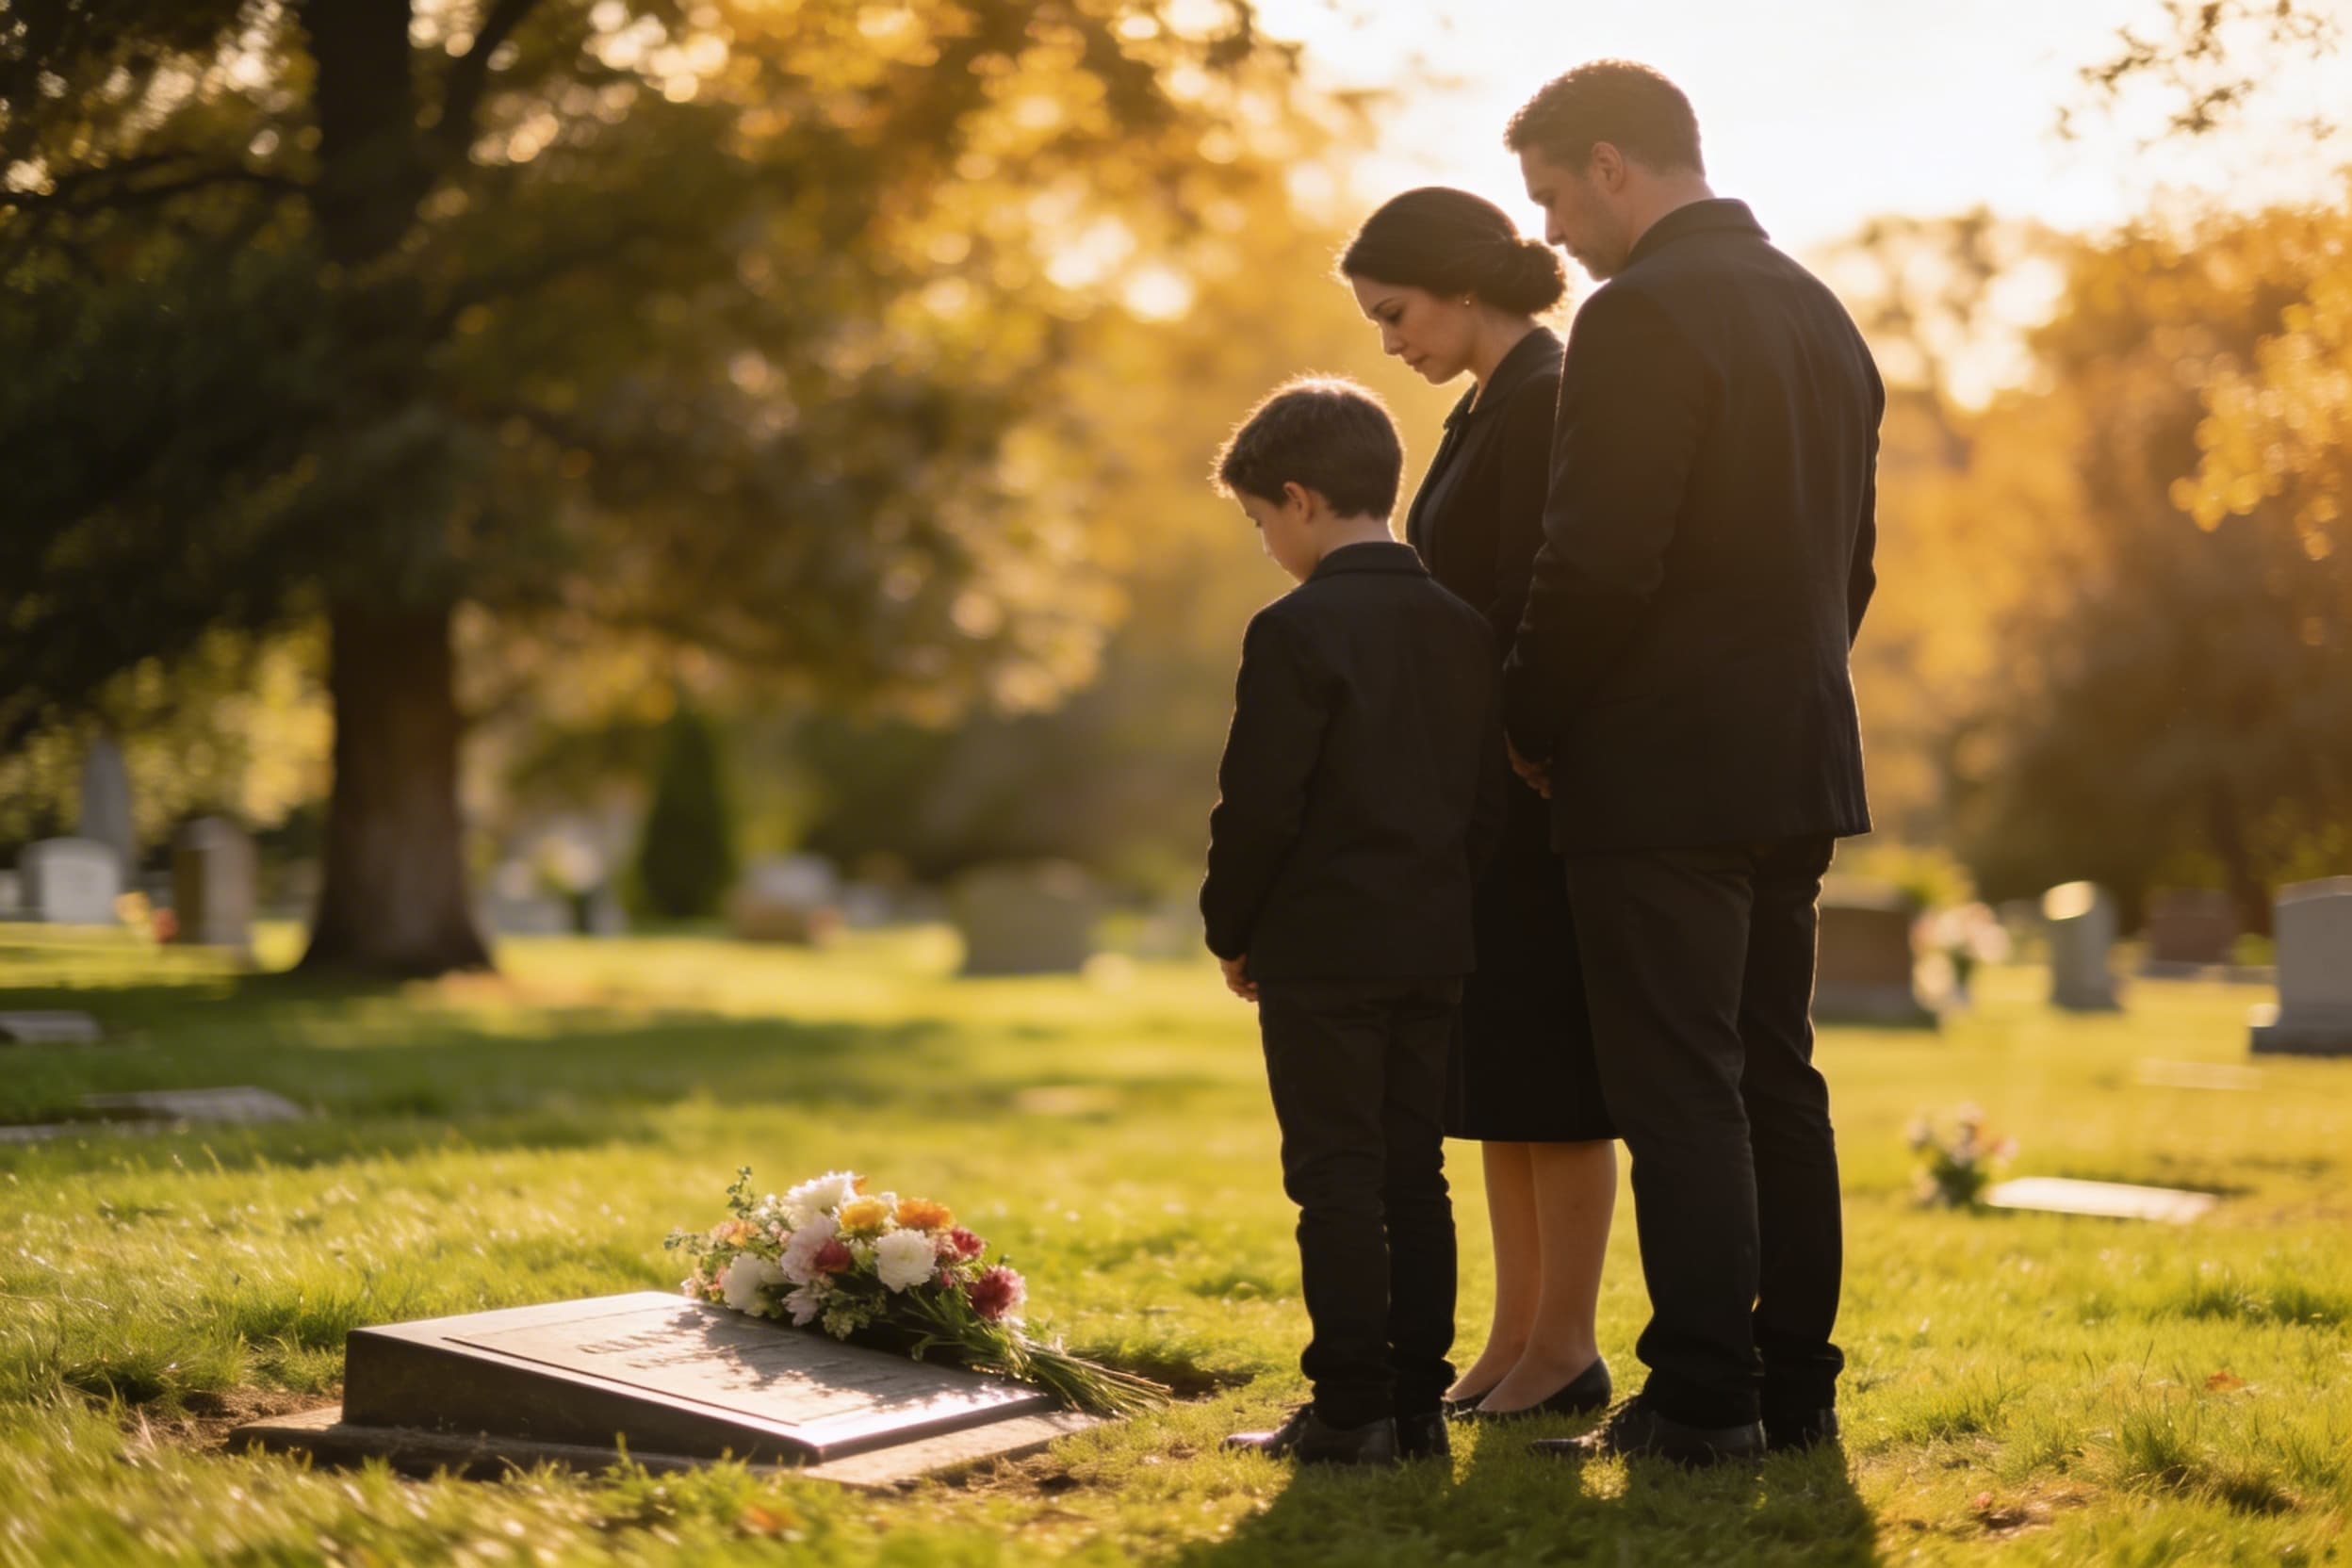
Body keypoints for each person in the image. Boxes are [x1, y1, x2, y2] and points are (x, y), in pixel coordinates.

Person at [1497, 61, 1886, 1466]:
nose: (1545, 234)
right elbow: (1852, 566)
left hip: (1659, 771)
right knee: (1777, 1077)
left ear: (1613, 164)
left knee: (1679, 1089)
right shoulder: (1820, 314)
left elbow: (1595, 557)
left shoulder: (1641, 314)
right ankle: (1794, 1387)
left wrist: (1533, 720)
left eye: (1549, 197)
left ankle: (1706, 1396)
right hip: (1792, 759)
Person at [1338, 188, 1617, 1422]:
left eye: (1394, 313)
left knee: (1551, 1072)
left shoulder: (1554, 396)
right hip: (1483, 792)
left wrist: (1513, 741)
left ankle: (1566, 1345)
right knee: (1498, 1072)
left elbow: (1548, 593)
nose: (1388, 341)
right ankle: (1513, 1339)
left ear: (1459, 285)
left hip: (1539, 787)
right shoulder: (1484, 404)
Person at [1201, 377, 1506, 1467]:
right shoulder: (1462, 625)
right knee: (1412, 1171)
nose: (1266, 544)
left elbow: (1261, 801)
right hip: (1432, 944)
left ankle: (1349, 1406)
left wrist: (1229, 924)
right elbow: (1485, 803)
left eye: (1260, 522)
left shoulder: (1297, 628)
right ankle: (1418, 1407)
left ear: (1299, 497)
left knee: (1333, 1173)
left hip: (1323, 948)